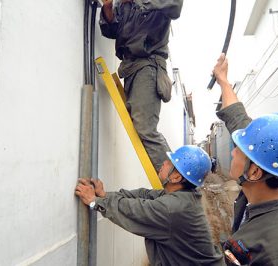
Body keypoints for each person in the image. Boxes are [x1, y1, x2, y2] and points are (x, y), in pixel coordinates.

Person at [212, 54, 278, 265]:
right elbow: (237, 118)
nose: (233, 152)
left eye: (239, 150)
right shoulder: (269, 177)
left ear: (254, 172)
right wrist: (223, 80)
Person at [75, 145, 224, 265]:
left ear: (176, 177)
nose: (164, 163)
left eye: (169, 163)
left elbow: (135, 210)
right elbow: (144, 195)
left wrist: (95, 201)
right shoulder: (183, 197)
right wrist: (105, 195)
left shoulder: (172, 208)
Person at [99, 0, 183, 171]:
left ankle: (178, 185)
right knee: (143, 128)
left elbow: (175, 7)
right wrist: (108, 7)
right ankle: (175, 178)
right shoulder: (123, 6)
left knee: (145, 129)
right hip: (130, 68)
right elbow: (112, 31)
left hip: (148, 65)